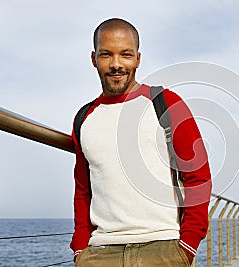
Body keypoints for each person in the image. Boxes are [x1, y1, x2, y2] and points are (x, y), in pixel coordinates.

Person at [70, 18, 212, 267]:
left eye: (125, 55)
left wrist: (187, 246)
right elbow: (83, 190)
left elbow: (198, 176)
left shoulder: (166, 103)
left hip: (163, 248)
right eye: (106, 55)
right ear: (94, 59)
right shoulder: (84, 118)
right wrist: (80, 248)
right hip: (100, 251)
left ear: (137, 58)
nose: (116, 64)